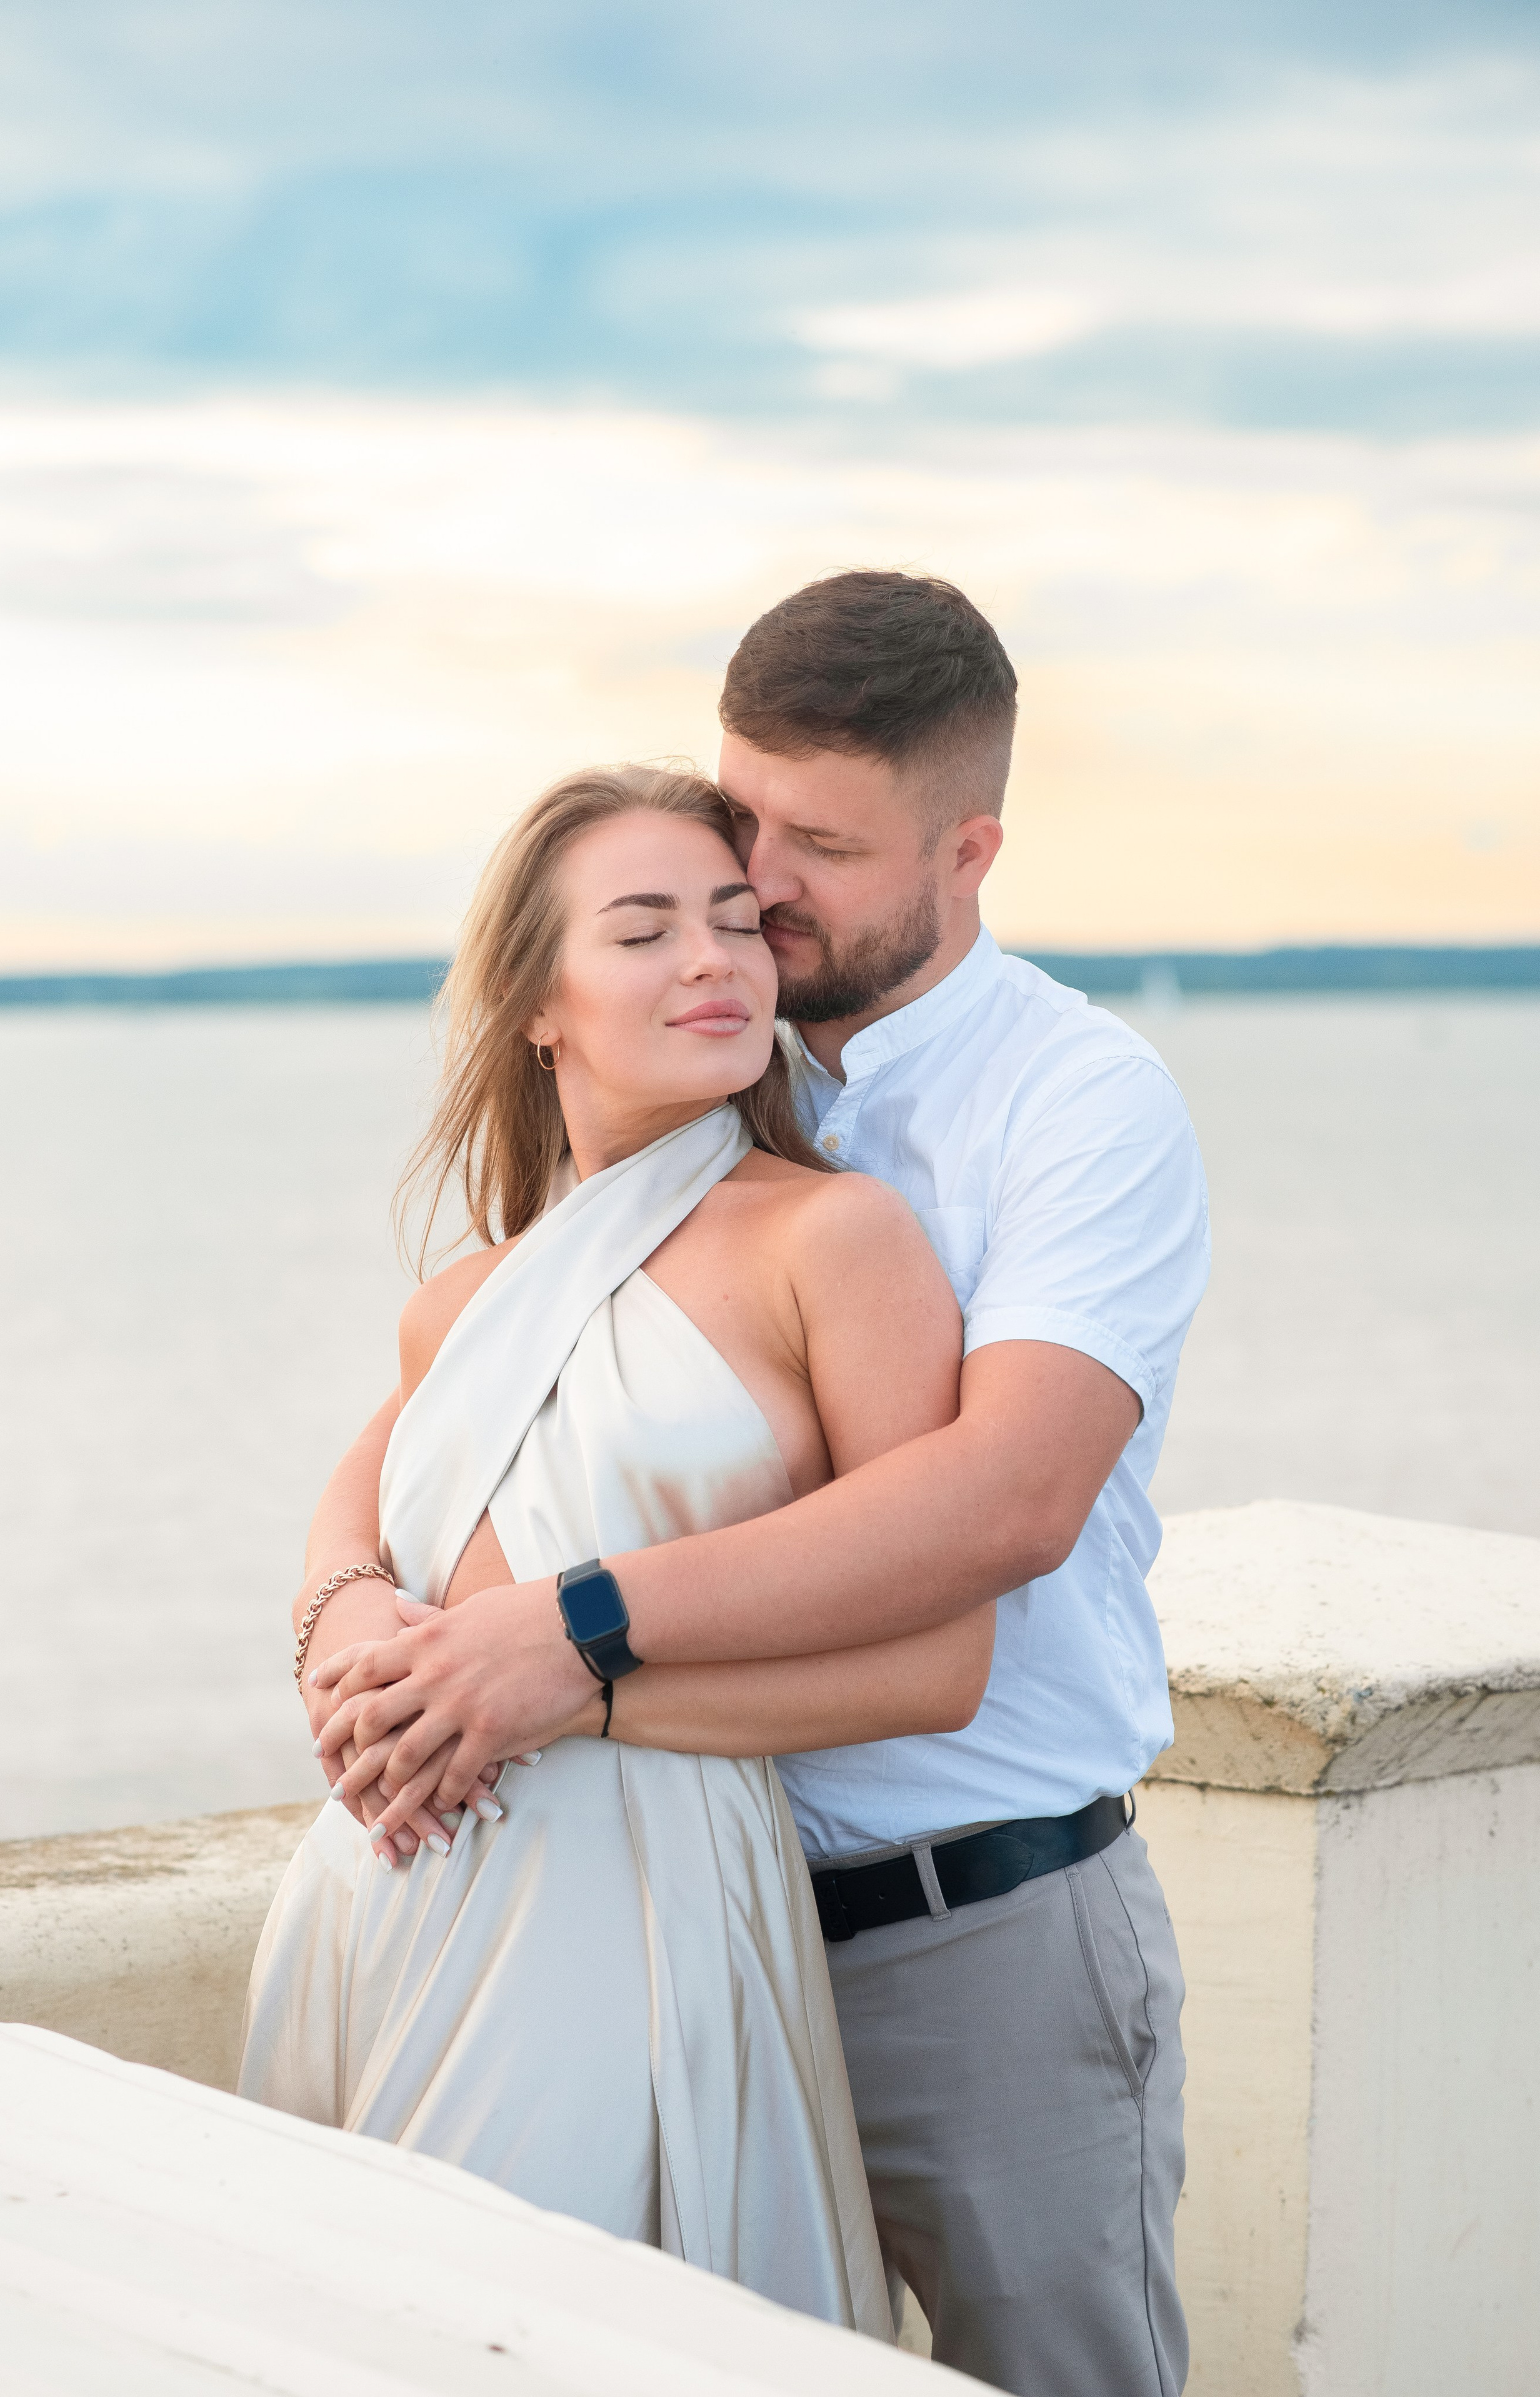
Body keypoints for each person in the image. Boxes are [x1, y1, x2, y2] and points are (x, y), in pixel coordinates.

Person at [311, 573, 1211, 2397]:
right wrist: (343, 1602)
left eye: (817, 847)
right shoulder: (714, 1080)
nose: (761, 893)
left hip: (979, 1928)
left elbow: (1004, 1505)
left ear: (971, 849)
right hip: (680, 1922)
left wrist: (571, 1639)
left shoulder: (1078, 1102)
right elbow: (443, 1408)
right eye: (742, 829)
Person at [243, 763, 992, 2338]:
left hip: (649, 1910)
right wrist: (351, 1621)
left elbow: (940, 1660)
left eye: (735, 922)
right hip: (387, 1898)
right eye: (643, 930)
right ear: (537, 999)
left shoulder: (831, 1240)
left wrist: (568, 1695)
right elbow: (354, 1550)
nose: (713, 961)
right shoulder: (459, 1303)